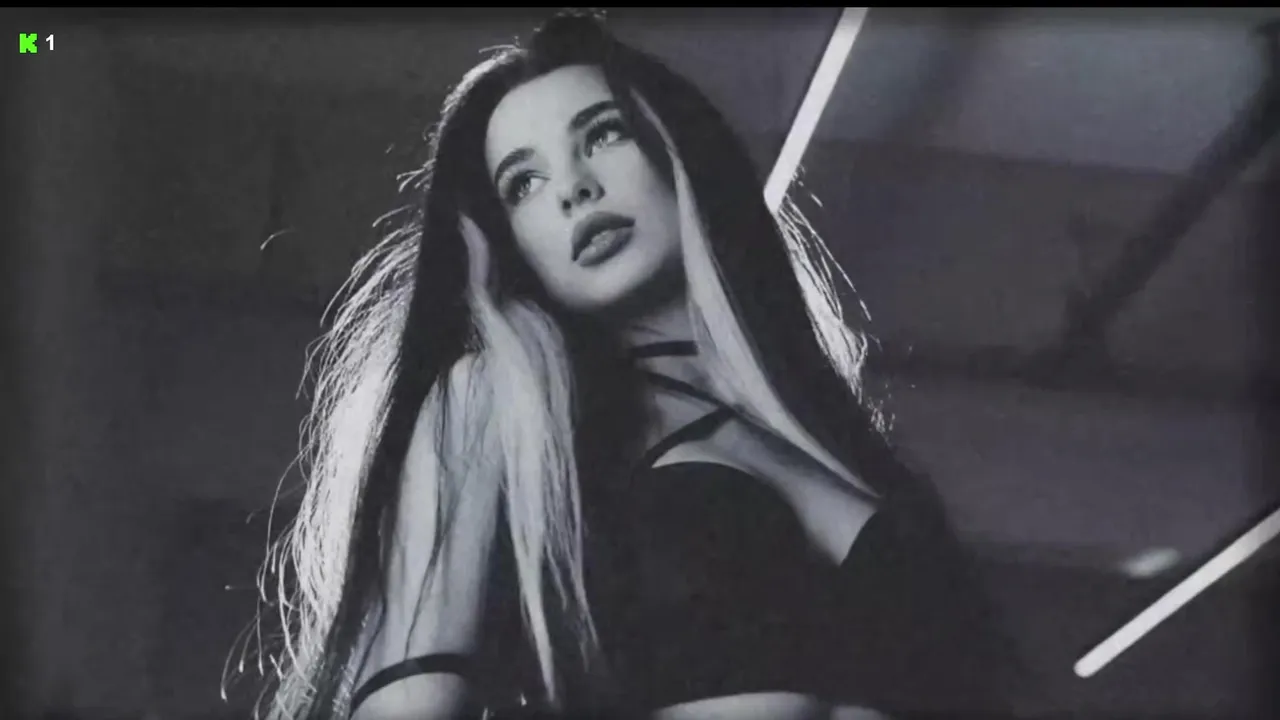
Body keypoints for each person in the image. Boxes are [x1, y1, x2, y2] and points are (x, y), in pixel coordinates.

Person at [257, 10, 1020, 720]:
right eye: (524, 184)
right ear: (507, 244)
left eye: (603, 134)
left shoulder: (831, 434)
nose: (574, 189)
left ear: (678, 150)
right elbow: (409, 698)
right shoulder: (506, 399)